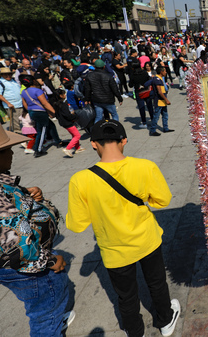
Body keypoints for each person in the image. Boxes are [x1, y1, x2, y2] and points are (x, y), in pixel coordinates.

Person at [66, 120, 180, 337]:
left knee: (126, 296)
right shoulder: (145, 167)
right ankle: (165, 321)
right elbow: (162, 200)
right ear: (124, 140)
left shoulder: (80, 180)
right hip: (147, 239)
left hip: (113, 249)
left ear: (93, 144)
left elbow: (77, 224)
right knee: (157, 283)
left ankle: (135, 332)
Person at [0, 115, 75, 336]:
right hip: (30, 267)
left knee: (42, 309)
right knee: (45, 316)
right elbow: (19, 247)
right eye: (8, 150)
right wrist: (52, 260)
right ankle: (53, 323)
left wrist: (26, 197)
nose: (13, 153)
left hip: (6, 264)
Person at [20, 75, 62, 157]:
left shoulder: (24, 92)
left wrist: (31, 110)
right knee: (41, 131)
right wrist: (54, 112)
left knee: (51, 126)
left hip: (32, 111)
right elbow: (45, 103)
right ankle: (37, 149)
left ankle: (58, 141)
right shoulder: (38, 91)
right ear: (34, 81)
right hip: (40, 112)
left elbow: (25, 104)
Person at [54, 89, 84, 158]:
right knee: (77, 136)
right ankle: (68, 149)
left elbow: (57, 115)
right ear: (61, 96)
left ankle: (78, 148)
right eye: (64, 94)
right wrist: (74, 116)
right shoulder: (63, 104)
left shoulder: (56, 104)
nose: (65, 95)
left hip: (63, 122)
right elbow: (67, 115)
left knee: (74, 134)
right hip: (68, 122)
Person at [0, 67, 24, 133]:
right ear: (2, 75)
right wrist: (8, 103)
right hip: (12, 105)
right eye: (6, 74)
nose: (8, 76)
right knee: (15, 121)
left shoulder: (13, 80)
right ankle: (18, 134)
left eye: (9, 74)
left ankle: (24, 132)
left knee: (24, 120)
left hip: (20, 103)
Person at [149, 67, 173, 136]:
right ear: (161, 72)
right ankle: (152, 130)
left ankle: (165, 128)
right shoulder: (157, 79)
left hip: (162, 101)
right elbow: (159, 92)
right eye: (165, 71)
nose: (166, 72)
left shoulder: (160, 78)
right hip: (159, 101)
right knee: (156, 116)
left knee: (165, 115)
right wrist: (166, 100)